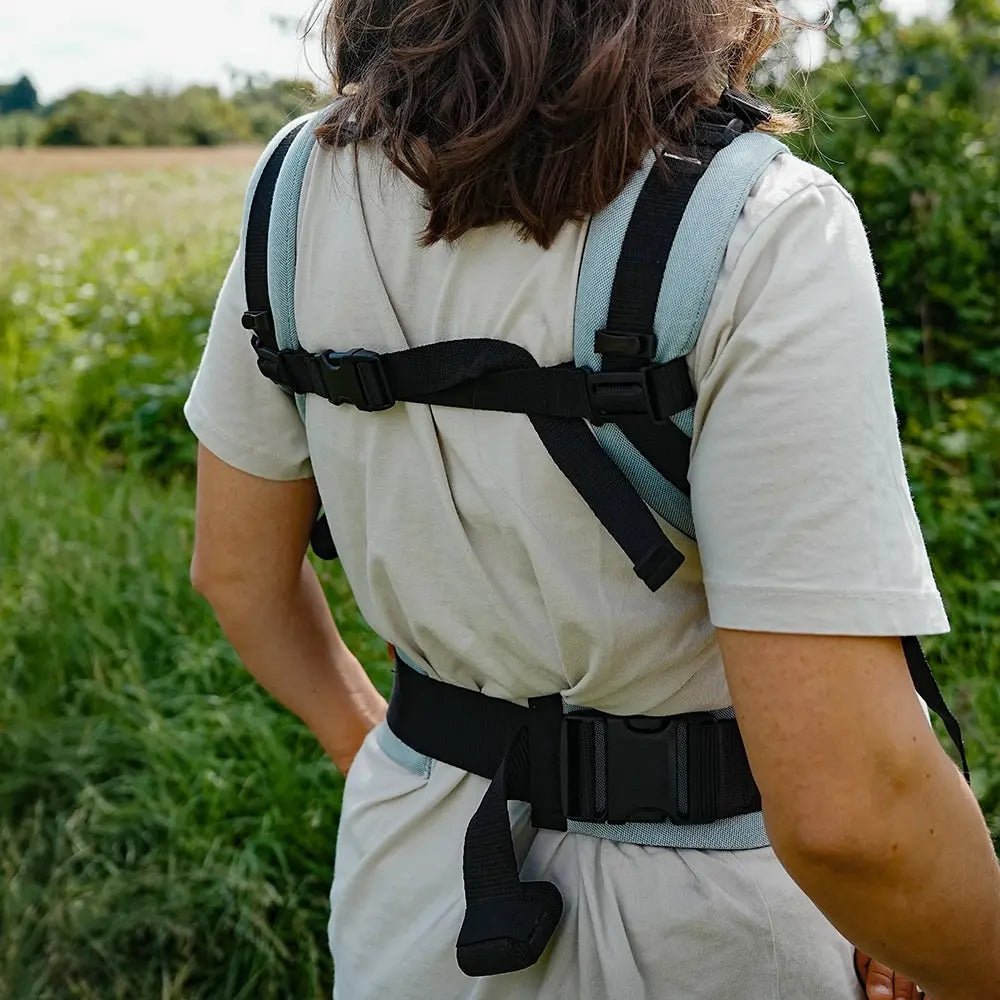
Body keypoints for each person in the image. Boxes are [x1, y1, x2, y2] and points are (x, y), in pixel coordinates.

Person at [184, 0, 1000, 997]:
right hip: (719, 935)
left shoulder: (296, 188)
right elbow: (851, 815)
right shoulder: (757, 221)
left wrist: (395, 761)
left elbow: (237, 575)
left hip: (412, 902)